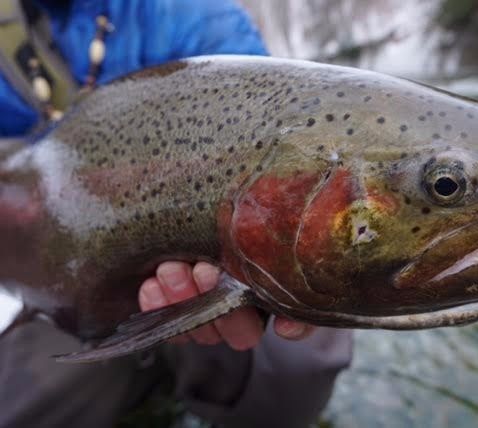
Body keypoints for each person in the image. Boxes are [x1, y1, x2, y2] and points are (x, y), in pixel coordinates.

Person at [0, 1, 352, 427]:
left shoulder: (193, 14)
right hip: (54, 279)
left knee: (300, 363)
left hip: (222, 268)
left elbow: (276, 119)